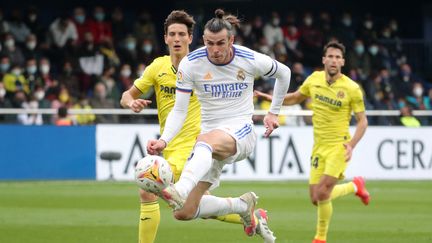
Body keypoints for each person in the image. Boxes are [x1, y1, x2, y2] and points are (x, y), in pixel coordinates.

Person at [147, 9, 291, 242]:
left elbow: (284, 73)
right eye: (210, 43)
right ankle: (242, 205)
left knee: (203, 143)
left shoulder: (249, 58)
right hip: (210, 143)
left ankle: (181, 188)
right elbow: (180, 110)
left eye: (221, 43)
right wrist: (164, 140)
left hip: (240, 133)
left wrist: (274, 112)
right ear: (203, 41)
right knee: (184, 212)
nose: (215, 50)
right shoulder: (191, 64)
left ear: (231, 40)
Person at [121, 10, 248, 243]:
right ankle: (246, 212)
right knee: (193, 207)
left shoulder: (203, 65)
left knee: (147, 189)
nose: (177, 38)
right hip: (169, 145)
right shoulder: (157, 68)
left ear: (190, 38)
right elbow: (126, 96)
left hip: (197, 147)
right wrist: (132, 102)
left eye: (182, 34)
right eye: (172, 34)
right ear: (166, 38)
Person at [255, 41, 370, 243]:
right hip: (319, 146)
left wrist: (351, 144)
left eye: (337, 57)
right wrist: (273, 99)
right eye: (330, 56)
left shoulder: (352, 89)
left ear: (342, 61)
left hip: (339, 146)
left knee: (323, 192)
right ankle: (355, 186)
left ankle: (320, 238)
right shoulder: (314, 79)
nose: (334, 60)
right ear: (324, 59)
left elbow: (363, 122)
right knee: (315, 198)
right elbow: (295, 97)